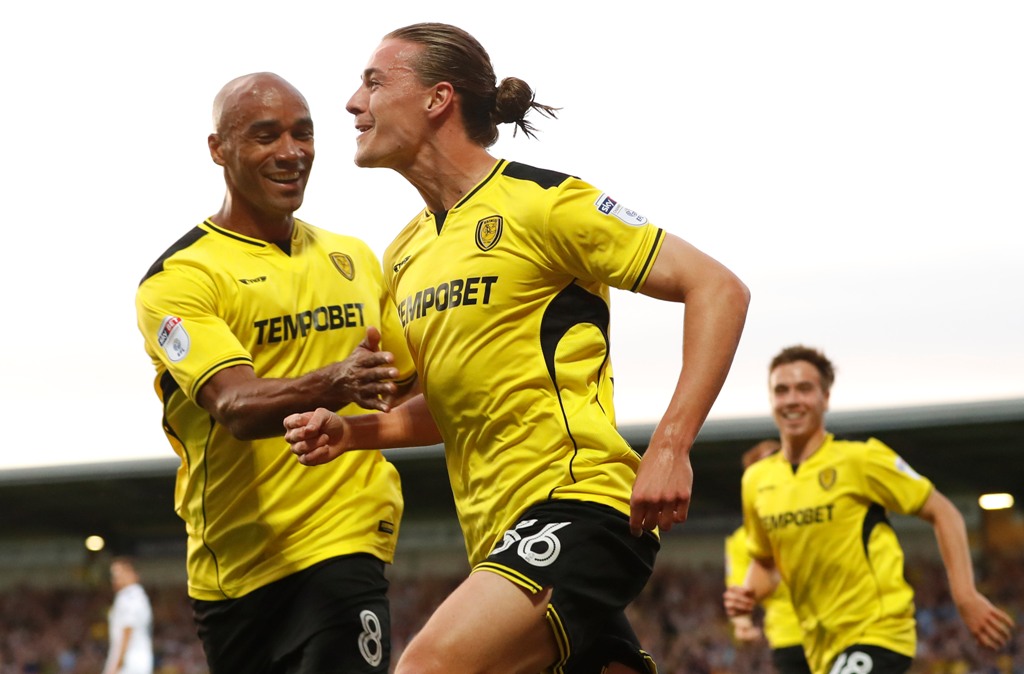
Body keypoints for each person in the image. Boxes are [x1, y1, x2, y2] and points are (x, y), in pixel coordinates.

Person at [284, 22, 750, 674]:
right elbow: (445, 404)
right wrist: (352, 431)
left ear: (436, 99)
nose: (352, 103)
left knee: (427, 668)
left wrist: (671, 444)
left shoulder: (545, 203)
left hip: (581, 508)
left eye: (373, 81)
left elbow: (718, 289)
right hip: (500, 538)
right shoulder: (403, 255)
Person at [134, 72, 417, 674]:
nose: (291, 152)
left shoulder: (356, 259)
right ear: (219, 149)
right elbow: (235, 408)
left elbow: (405, 384)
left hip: (347, 541)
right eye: (266, 136)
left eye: (303, 134)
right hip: (234, 572)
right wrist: (336, 382)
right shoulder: (181, 279)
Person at [723, 345, 1015, 674]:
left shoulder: (860, 458)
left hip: (877, 629)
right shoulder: (757, 479)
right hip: (819, 645)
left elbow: (943, 511)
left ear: (825, 397)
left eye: (804, 388)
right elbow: (765, 561)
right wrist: (748, 594)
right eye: (782, 390)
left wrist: (965, 595)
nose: (792, 399)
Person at [724, 439, 810, 674]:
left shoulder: (816, 517)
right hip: (790, 638)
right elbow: (740, 588)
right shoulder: (742, 540)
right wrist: (743, 625)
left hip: (839, 629)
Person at [103, 557, 154, 674]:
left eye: (120, 572)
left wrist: (116, 665)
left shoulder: (129, 596)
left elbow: (127, 630)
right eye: (113, 573)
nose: (115, 577)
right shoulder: (137, 596)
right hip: (139, 659)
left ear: (133, 574)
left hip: (129, 661)